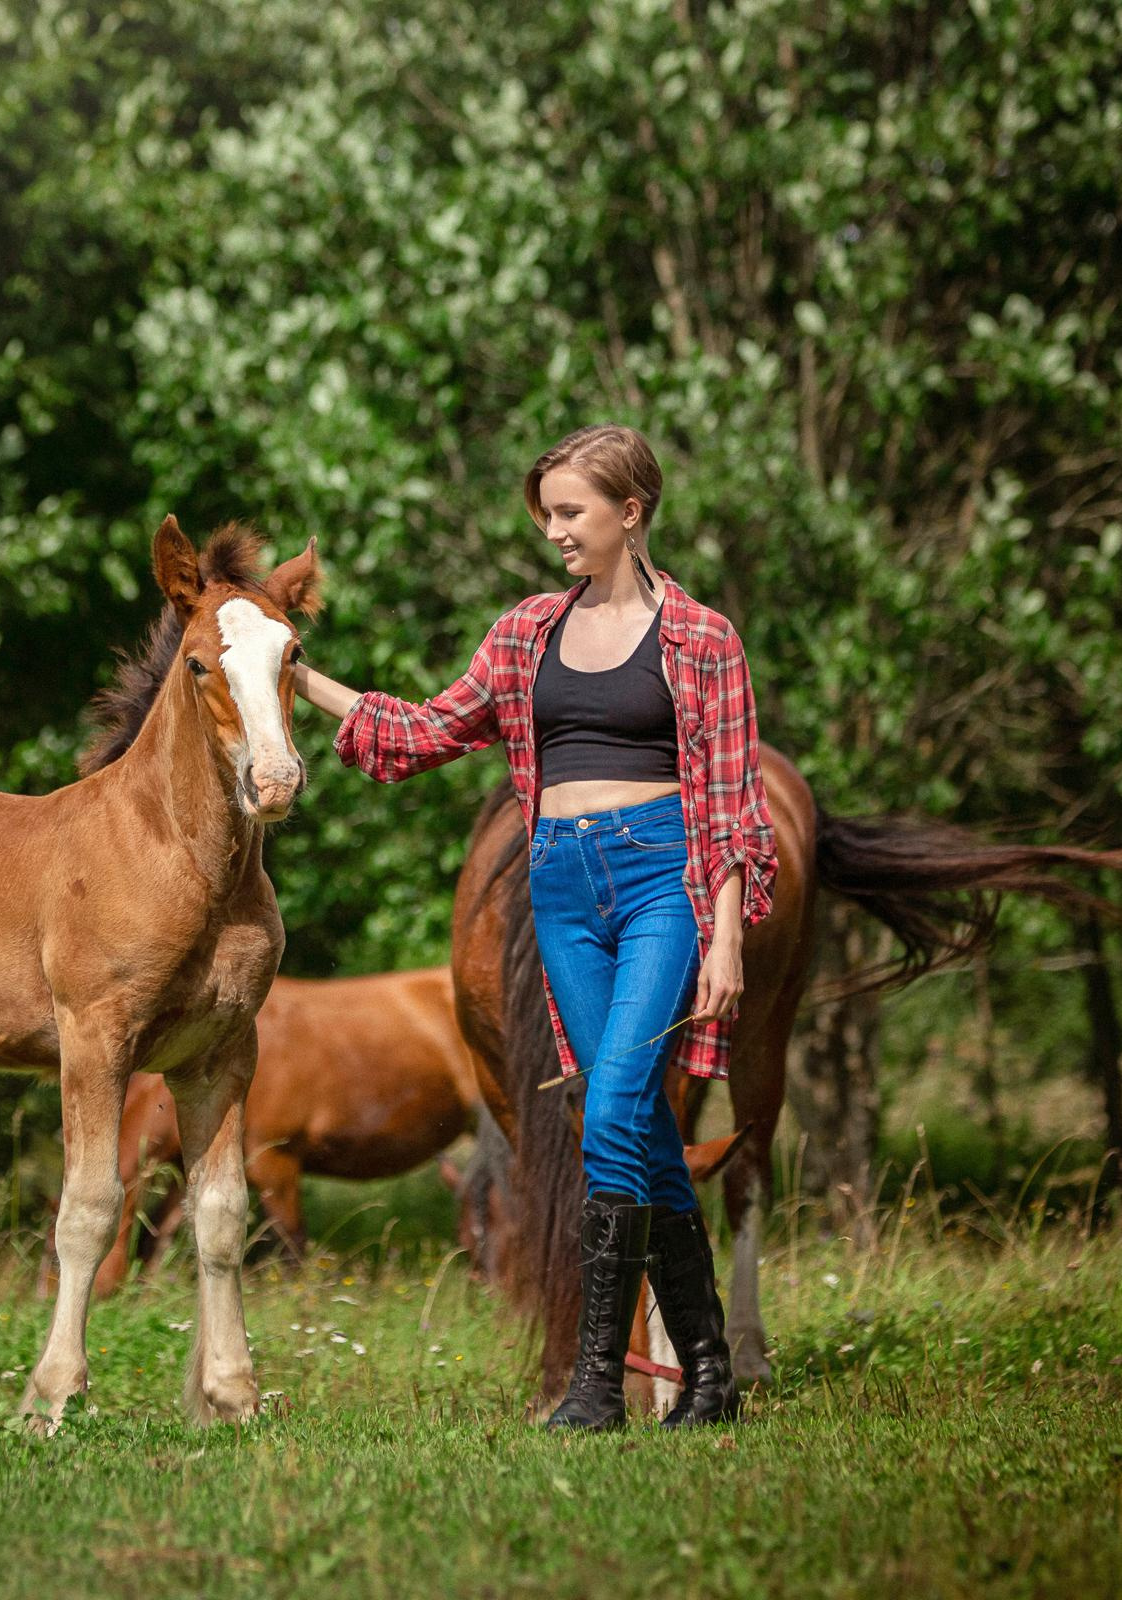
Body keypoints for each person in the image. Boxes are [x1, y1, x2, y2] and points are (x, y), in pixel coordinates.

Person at [293, 423, 779, 1430]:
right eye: (548, 513)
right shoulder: (525, 634)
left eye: (571, 511)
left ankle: (597, 1384)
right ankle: (710, 1376)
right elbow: (429, 729)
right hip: (559, 888)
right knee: (637, 1125)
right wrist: (299, 679)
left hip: (660, 885)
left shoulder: (702, 638)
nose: (554, 530)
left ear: (629, 513)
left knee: (607, 1117)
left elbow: (732, 803)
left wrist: (726, 935)